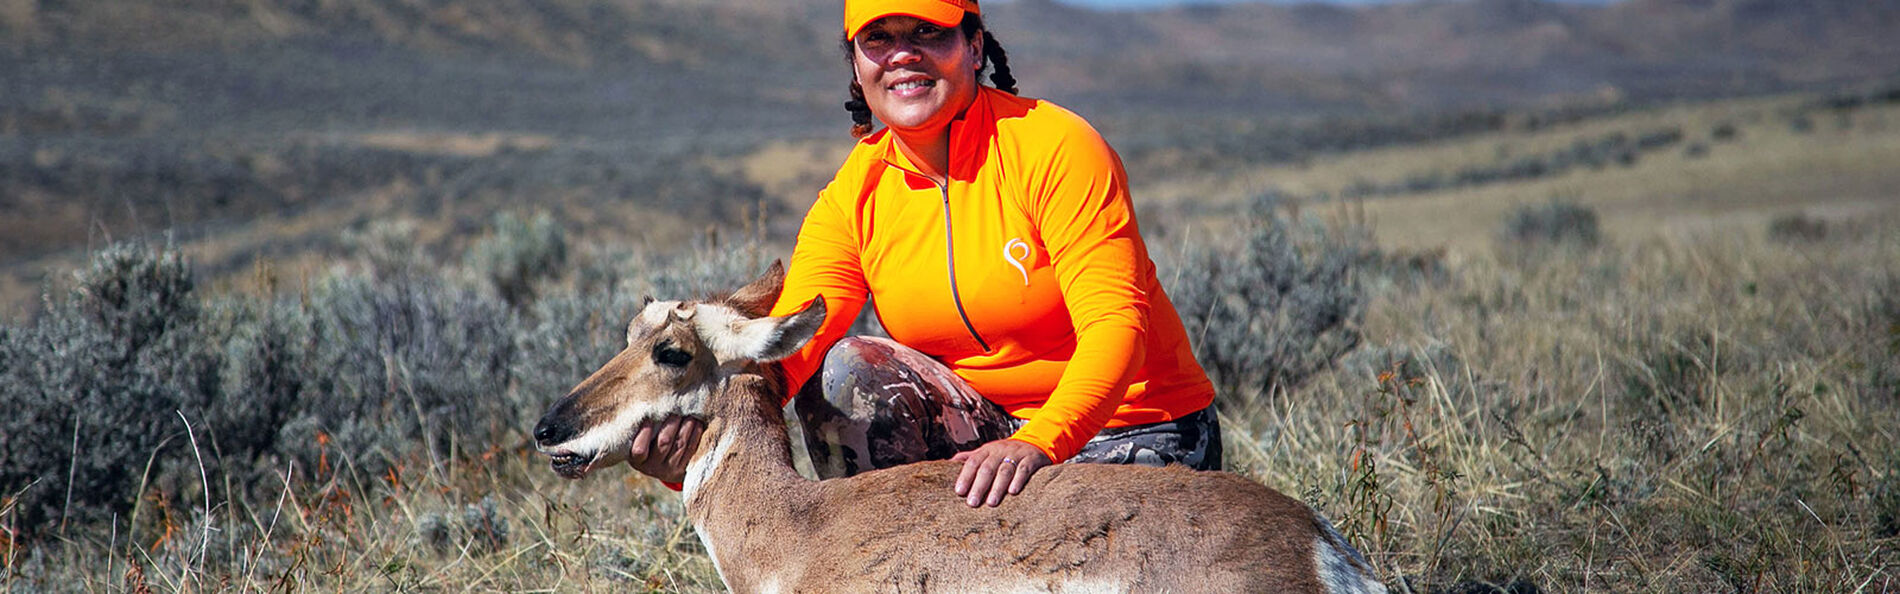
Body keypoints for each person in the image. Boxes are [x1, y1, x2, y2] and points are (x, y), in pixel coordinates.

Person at [627, 0, 1221, 508]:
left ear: (975, 45)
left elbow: (1117, 327)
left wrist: (1040, 441)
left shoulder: (1056, 147)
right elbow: (789, 355)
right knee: (844, 372)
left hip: (1133, 428)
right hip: (988, 438)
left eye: (928, 33)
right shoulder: (854, 195)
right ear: (857, 67)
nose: (903, 55)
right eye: (878, 39)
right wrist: (690, 456)